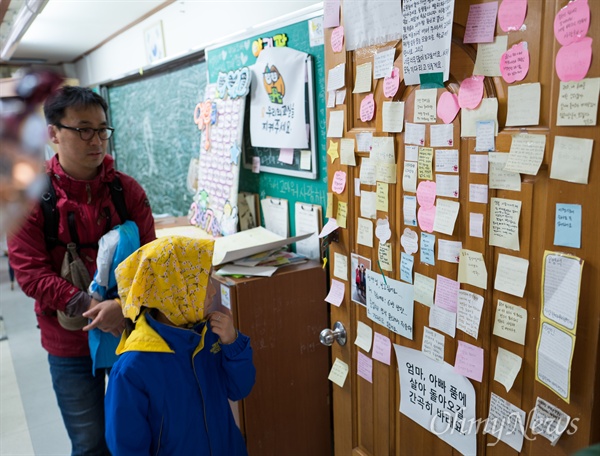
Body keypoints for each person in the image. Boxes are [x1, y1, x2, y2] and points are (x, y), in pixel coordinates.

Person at [7, 85, 156, 455]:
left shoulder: (127, 191)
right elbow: (30, 273)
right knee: (89, 442)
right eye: (84, 129)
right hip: (68, 342)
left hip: (130, 331)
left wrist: (122, 307)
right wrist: (94, 309)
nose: (97, 140)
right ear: (53, 133)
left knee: (140, 433)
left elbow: (154, 261)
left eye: (103, 129)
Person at [105, 235, 255, 455]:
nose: (213, 291)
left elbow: (240, 389)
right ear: (174, 290)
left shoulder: (210, 334)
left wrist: (233, 343)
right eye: (203, 281)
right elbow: (126, 447)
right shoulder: (131, 370)